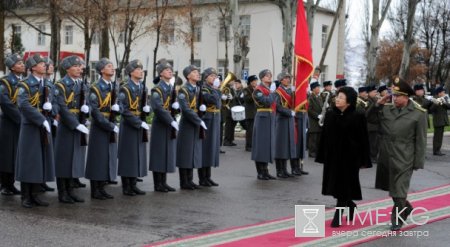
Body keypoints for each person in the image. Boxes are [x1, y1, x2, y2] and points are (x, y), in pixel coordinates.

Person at [370, 77, 427, 231]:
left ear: (406, 96)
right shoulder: (387, 108)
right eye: (393, 95)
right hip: (387, 155)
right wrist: (378, 105)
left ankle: (397, 219)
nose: (394, 98)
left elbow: (421, 140)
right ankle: (406, 207)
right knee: (393, 190)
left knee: (400, 189)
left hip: (405, 157)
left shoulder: (419, 114)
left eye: (398, 96)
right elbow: (369, 120)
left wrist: (418, 162)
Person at [316, 86, 371, 228]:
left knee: (344, 185)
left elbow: (364, 138)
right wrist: (321, 155)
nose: (337, 99)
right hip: (333, 158)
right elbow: (324, 137)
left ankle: (338, 217)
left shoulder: (358, 115)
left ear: (349, 101)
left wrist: (365, 160)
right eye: (337, 97)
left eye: (341, 97)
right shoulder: (330, 114)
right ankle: (350, 205)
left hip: (350, 158)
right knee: (335, 186)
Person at [15, 53, 56, 208]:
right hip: (30, 127)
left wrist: (51, 110)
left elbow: (53, 102)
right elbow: (23, 105)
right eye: (41, 63)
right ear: (32, 67)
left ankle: (36, 193)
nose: (44, 65)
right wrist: (41, 119)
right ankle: (26, 195)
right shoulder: (24, 84)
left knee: (41, 160)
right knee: (29, 161)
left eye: (45, 63)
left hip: (44, 126)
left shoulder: (46, 84)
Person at [53, 55, 89, 203]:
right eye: (75, 66)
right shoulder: (60, 85)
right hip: (67, 126)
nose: (79, 69)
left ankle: (71, 190)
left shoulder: (82, 84)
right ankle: (62, 192)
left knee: (74, 159)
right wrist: (75, 124)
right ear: (67, 69)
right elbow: (62, 107)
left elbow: (88, 102)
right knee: (64, 160)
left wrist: (87, 112)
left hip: (79, 123)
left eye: (80, 66)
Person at [85, 58, 119, 200]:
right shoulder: (95, 87)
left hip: (110, 123)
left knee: (107, 157)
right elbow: (95, 112)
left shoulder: (114, 86)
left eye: (112, 66)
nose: (112, 69)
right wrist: (109, 125)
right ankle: (95, 189)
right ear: (102, 70)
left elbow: (119, 104)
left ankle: (102, 187)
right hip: (100, 127)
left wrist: (118, 109)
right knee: (97, 158)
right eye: (109, 66)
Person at [117, 59, 150, 196]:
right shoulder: (125, 87)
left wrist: (147, 110)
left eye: (141, 69)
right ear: (131, 72)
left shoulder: (142, 87)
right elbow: (123, 109)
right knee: (128, 156)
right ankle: (126, 186)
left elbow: (143, 105)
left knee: (137, 155)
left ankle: (133, 184)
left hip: (139, 122)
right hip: (129, 125)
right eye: (138, 69)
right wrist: (137, 122)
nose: (141, 71)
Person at [149, 59, 179, 192]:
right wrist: (171, 120)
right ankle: (157, 184)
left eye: (171, 70)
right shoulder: (157, 89)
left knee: (166, 153)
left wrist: (176, 108)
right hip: (161, 124)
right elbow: (159, 108)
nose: (170, 72)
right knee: (159, 153)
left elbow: (171, 105)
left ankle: (164, 182)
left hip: (168, 122)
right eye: (167, 70)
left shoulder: (170, 88)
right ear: (161, 74)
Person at [176, 65, 208, 190]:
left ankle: (190, 180)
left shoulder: (198, 89)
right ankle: (184, 181)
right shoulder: (184, 90)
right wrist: (198, 120)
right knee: (186, 153)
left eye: (198, 72)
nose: (197, 73)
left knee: (193, 152)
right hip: (188, 123)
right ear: (188, 75)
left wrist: (202, 111)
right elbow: (186, 109)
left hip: (196, 122)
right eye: (194, 72)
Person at [0, 53, 24, 196]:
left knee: (16, 153)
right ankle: (5, 184)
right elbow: (5, 102)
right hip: (9, 122)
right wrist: (20, 118)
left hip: (21, 120)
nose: (22, 65)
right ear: (12, 67)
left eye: (22, 63)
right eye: (19, 63)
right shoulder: (5, 82)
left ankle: (11, 183)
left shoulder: (24, 81)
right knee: (7, 154)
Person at [251, 69, 277, 180]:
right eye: (267, 76)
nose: (269, 77)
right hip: (262, 117)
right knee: (260, 145)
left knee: (267, 145)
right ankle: (260, 172)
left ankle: (265, 170)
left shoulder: (269, 89)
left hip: (269, 117)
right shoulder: (258, 90)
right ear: (262, 78)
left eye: (270, 75)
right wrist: (273, 93)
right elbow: (266, 101)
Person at [199, 67, 221, 186]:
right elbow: (212, 100)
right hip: (207, 119)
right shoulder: (204, 89)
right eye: (212, 76)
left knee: (212, 148)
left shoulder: (212, 89)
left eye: (215, 76)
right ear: (206, 77)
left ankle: (208, 176)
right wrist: (216, 89)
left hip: (215, 119)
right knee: (206, 148)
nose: (215, 78)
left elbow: (219, 104)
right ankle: (202, 178)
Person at [274, 71, 296, 178]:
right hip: (281, 120)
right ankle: (279, 170)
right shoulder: (277, 92)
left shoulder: (290, 91)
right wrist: (288, 112)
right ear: (281, 80)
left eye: (289, 78)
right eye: (286, 78)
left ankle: (285, 169)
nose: (288, 79)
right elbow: (277, 107)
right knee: (280, 146)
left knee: (287, 145)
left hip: (289, 120)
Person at [429, 86, 450, 156]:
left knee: (440, 136)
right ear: (439, 93)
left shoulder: (444, 98)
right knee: (437, 136)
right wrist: (436, 103)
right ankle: (435, 150)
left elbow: (448, 107)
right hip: (437, 120)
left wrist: (443, 102)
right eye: (443, 92)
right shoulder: (434, 99)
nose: (444, 93)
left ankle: (438, 149)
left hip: (443, 120)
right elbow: (431, 110)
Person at [307, 81, 323, 158]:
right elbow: (309, 109)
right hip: (313, 120)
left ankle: (317, 151)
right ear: (313, 89)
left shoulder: (319, 97)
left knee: (318, 138)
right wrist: (317, 116)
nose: (319, 89)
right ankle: (312, 152)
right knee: (313, 137)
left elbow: (321, 107)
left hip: (320, 121)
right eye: (317, 87)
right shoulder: (311, 97)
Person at [365, 85, 380, 163]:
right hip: (370, 125)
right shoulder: (367, 101)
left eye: (376, 92)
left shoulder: (374, 100)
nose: (376, 93)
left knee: (375, 142)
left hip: (376, 125)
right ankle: (371, 156)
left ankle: (373, 156)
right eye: (374, 92)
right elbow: (367, 114)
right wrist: (374, 104)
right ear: (369, 93)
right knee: (371, 143)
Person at [243, 75, 257, 152]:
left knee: (254, 130)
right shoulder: (246, 89)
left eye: (256, 81)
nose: (256, 83)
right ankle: (248, 146)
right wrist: (255, 93)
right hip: (249, 113)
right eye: (254, 81)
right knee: (250, 131)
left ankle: (253, 144)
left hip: (255, 112)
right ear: (251, 82)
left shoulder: (255, 89)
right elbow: (247, 99)